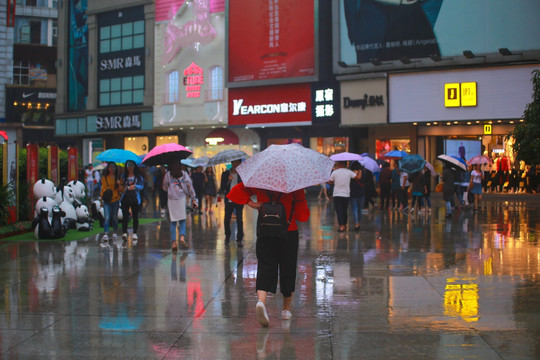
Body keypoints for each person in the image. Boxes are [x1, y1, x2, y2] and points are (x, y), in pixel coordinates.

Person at [226, 182, 310, 327]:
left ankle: (261, 302)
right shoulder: (295, 185)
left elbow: (235, 191)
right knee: (287, 268)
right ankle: (285, 310)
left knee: (265, 265)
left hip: (265, 230)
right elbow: (303, 216)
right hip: (288, 232)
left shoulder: (261, 181)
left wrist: (251, 203)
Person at [163, 161, 198, 251]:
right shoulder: (184, 173)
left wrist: (170, 188)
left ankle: (174, 243)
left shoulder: (167, 175)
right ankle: (182, 237)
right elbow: (190, 185)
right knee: (182, 219)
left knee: (173, 221)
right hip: (181, 198)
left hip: (171, 199)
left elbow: (164, 187)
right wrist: (193, 197)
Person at [328, 161, 360, 232]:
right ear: (345, 165)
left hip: (337, 194)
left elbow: (330, 182)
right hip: (346, 194)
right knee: (344, 210)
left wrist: (334, 182)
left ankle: (341, 226)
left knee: (339, 210)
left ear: (339, 164)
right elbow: (357, 178)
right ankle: (344, 224)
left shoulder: (335, 172)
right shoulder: (348, 172)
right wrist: (359, 171)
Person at [220, 159, 244, 246]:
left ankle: (239, 239)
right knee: (227, 219)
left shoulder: (242, 174)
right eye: (235, 162)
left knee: (239, 219)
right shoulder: (225, 174)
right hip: (229, 200)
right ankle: (227, 235)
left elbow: (244, 187)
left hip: (239, 199)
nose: (236, 164)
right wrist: (228, 181)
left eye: (238, 162)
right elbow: (222, 188)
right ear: (232, 163)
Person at [120, 160, 144, 244]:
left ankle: (134, 233)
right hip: (125, 198)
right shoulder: (123, 176)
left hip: (135, 198)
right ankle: (124, 232)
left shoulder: (138, 177)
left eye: (131, 165)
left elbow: (142, 186)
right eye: (128, 165)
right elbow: (121, 186)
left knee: (135, 216)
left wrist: (135, 186)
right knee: (125, 216)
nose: (129, 167)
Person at [100, 162, 122, 244]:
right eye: (110, 167)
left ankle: (115, 232)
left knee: (114, 216)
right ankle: (106, 232)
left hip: (115, 199)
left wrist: (119, 184)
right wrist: (101, 200)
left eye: (113, 167)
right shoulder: (105, 178)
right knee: (107, 216)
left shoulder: (118, 178)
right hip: (107, 200)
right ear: (108, 168)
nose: (112, 168)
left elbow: (121, 190)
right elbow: (102, 189)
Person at [349, 162, 364, 231]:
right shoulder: (363, 173)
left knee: (354, 209)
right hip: (361, 193)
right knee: (360, 209)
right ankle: (359, 222)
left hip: (353, 193)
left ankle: (356, 223)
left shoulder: (350, 174)